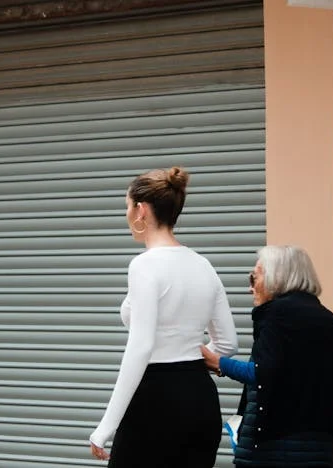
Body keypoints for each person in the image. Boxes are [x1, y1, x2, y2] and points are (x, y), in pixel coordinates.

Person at [89, 166, 239, 468]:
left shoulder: (144, 266)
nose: (127, 215)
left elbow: (141, 347)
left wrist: (106, 426)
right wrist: (187, 355)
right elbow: (228, 344)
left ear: (141, 210)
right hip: (201, 400)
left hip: (156, 402)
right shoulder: (204, 266)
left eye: (127, 207)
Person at [201, 245, 333, 468]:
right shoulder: (329, 321)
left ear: (276, 277)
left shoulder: (277, 315)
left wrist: (218, 362)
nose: (250, 288)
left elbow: (263, 372)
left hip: (274, 450)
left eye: (254, 277)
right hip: (322, 449)